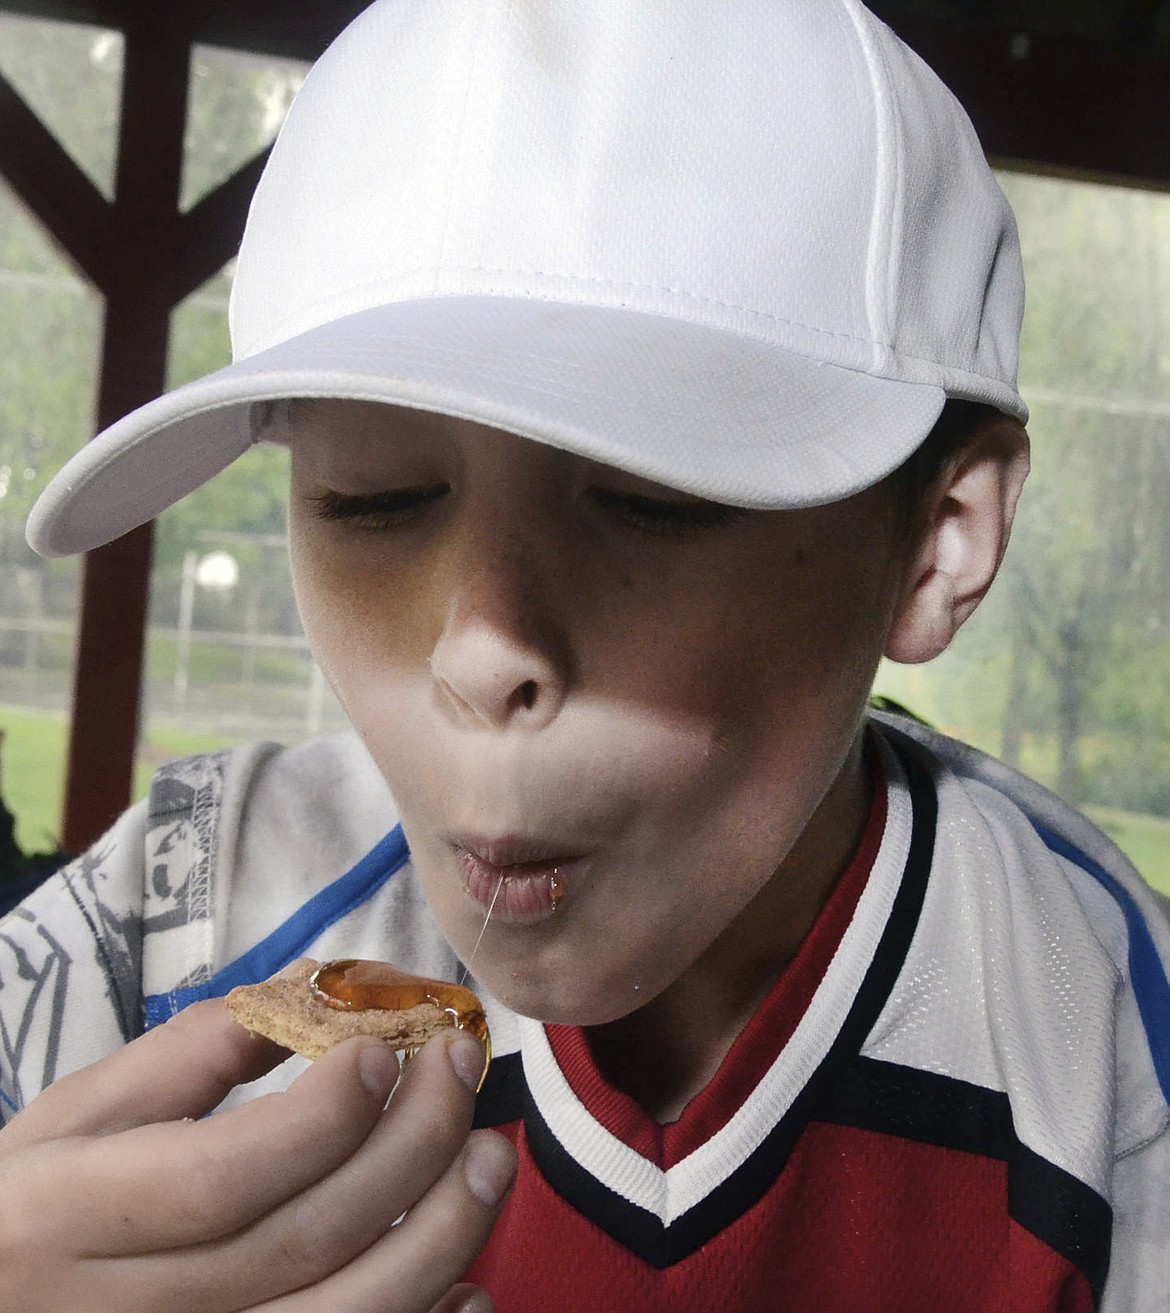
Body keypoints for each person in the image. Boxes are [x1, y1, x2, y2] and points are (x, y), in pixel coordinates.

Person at [3, 1, 1168, 1309]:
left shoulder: (1107, 1035)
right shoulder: (175, 917)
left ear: (935, 540)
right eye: (372, 500)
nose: (481, 647)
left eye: (653, 501)